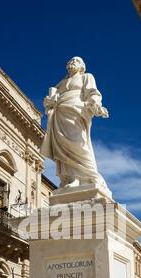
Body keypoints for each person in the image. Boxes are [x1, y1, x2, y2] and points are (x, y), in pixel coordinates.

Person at [41, 57, 109, 189]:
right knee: (63, 147)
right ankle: (72, 178)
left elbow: (93, 93)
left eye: (75, 61)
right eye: (70, 61)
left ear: (82, 66)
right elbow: (52, 99)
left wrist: (95, 104)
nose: (72, 63)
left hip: (76, 111)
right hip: (59, 114)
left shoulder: (86, 77)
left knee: (78, 144)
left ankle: (91, 176)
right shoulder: (61, 83)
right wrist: (49, 102)